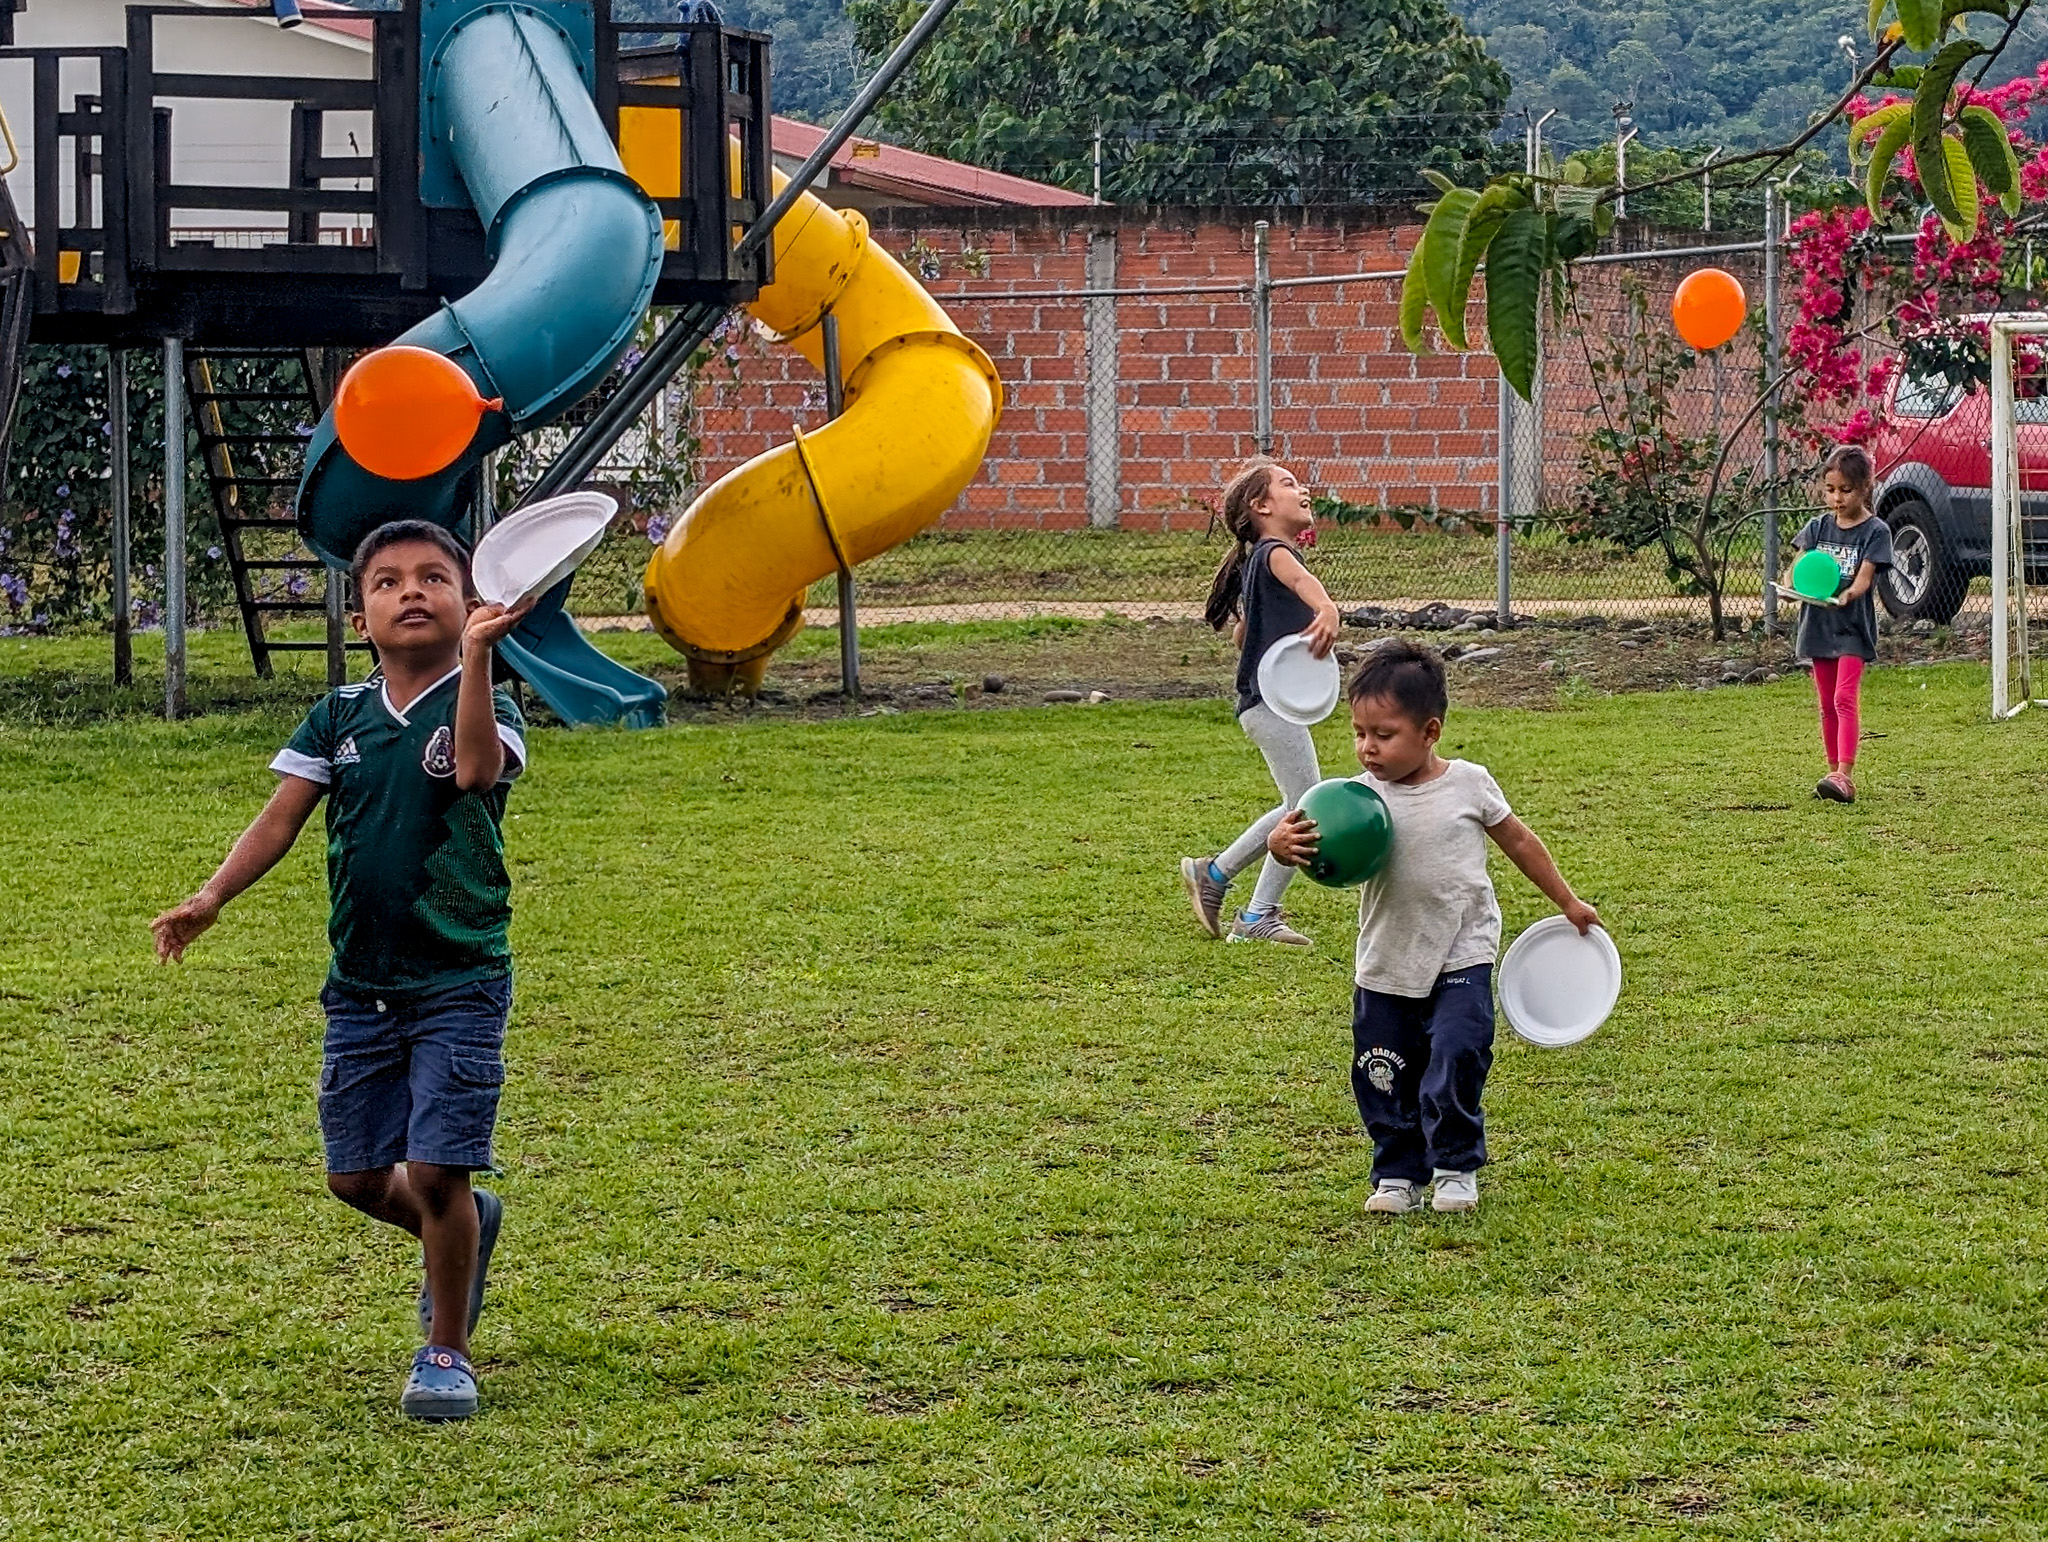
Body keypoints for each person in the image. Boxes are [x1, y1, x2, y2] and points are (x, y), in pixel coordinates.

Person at [151, 520, 535, 1421]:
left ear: (467, 601)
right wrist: (212, 897)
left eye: (434, 578)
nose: (411, 591)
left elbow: (475, 772)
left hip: (460, 978)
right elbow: (279, 821)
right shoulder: (338, 717)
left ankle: (447, 1349)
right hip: (360, 985)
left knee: (435, 1169)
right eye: (388, 580)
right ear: (359, 614)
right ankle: (465, 1232)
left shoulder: (492, 706)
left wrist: (480, 661)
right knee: (359, 1179)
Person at [1267, 641, 1601, 1216]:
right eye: (1358, 733)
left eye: (1384, 734)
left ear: (1430, 731)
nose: (1367, 748)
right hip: (1387, 957)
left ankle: (1454, 1166)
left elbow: (1519, 840)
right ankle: (1397, 1172)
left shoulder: (1469, 784)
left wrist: (1567, 900)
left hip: (1461, 953)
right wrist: (1281, 845)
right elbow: (1297, 839)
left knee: (1457, 1053)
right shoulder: (1352, 799)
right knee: (1383, 1072)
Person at [1179, 460, 1342, 947]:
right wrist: (1327, 609)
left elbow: (1240, 636)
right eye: (1289, 484)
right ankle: (1250, 909)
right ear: (1262, 506)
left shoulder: (1257, 561)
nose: (1304, 489)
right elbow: (1303, 586)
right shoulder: (1276, 554)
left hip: (1265, 704)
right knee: (1305, 810)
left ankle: (1222, 879)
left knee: (1300, 805)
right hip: (1270, 705)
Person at [1785, 444, 1893, 804]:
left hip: (1851, 629)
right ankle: (1832, 772)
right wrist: (1789, 588)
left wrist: (1848, 595)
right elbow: (1799, 567)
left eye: (1845, 490)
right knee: (1826, 704)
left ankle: (1845, 776)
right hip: (1818, 626)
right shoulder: (1817, 527)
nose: (1836, 498)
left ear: (1864, 488)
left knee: (1844, 697)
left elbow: (1863, 579)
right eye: (1830, 490)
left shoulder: (1876, 531)